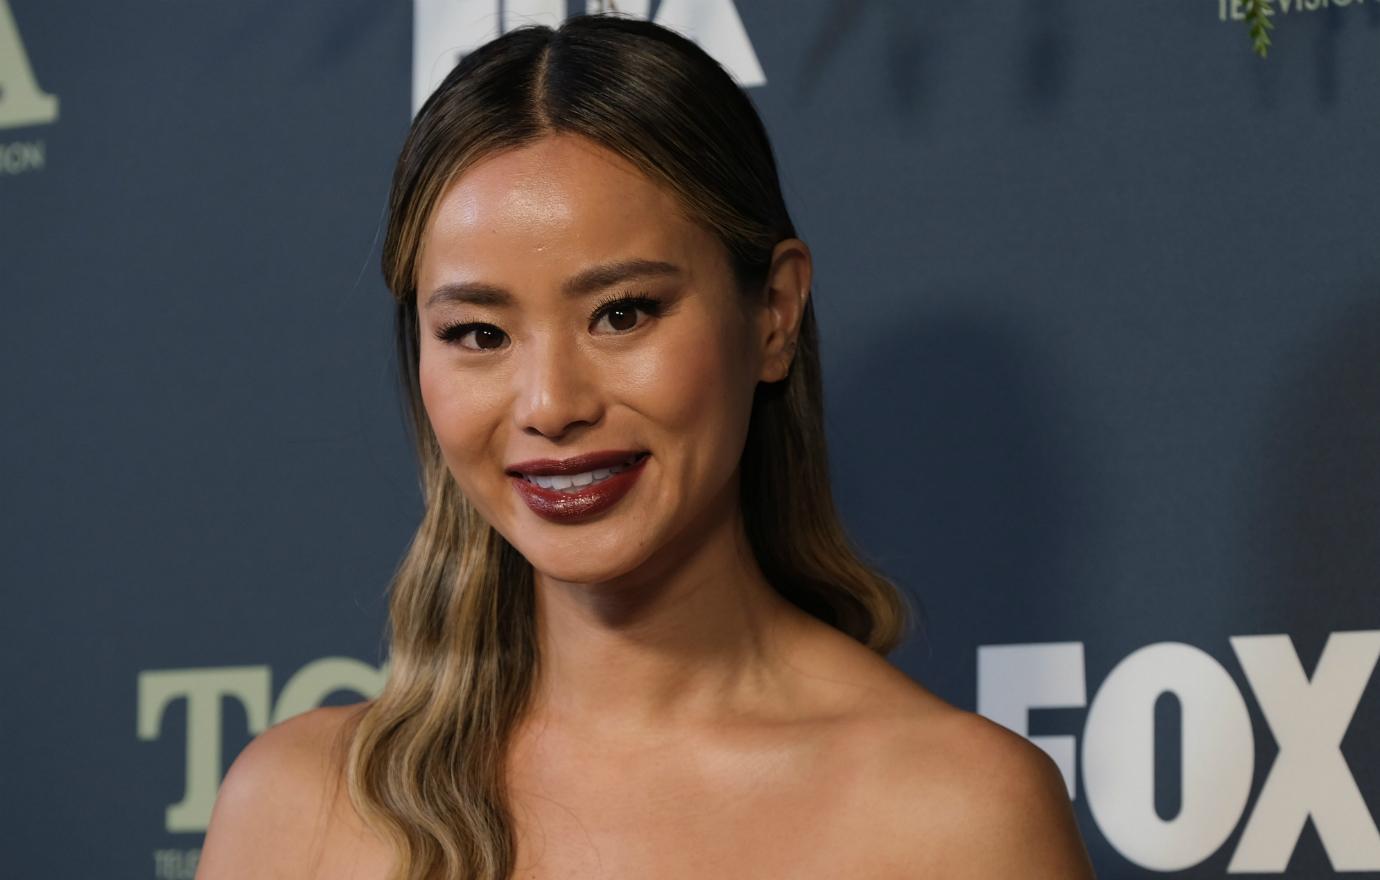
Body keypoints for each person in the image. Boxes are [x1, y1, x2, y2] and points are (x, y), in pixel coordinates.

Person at [197, 13, 1095, 880]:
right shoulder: (291, 808)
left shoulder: (955, 814)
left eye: (622, 314)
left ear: (774, 313)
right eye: (478, 333)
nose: (551, 405)